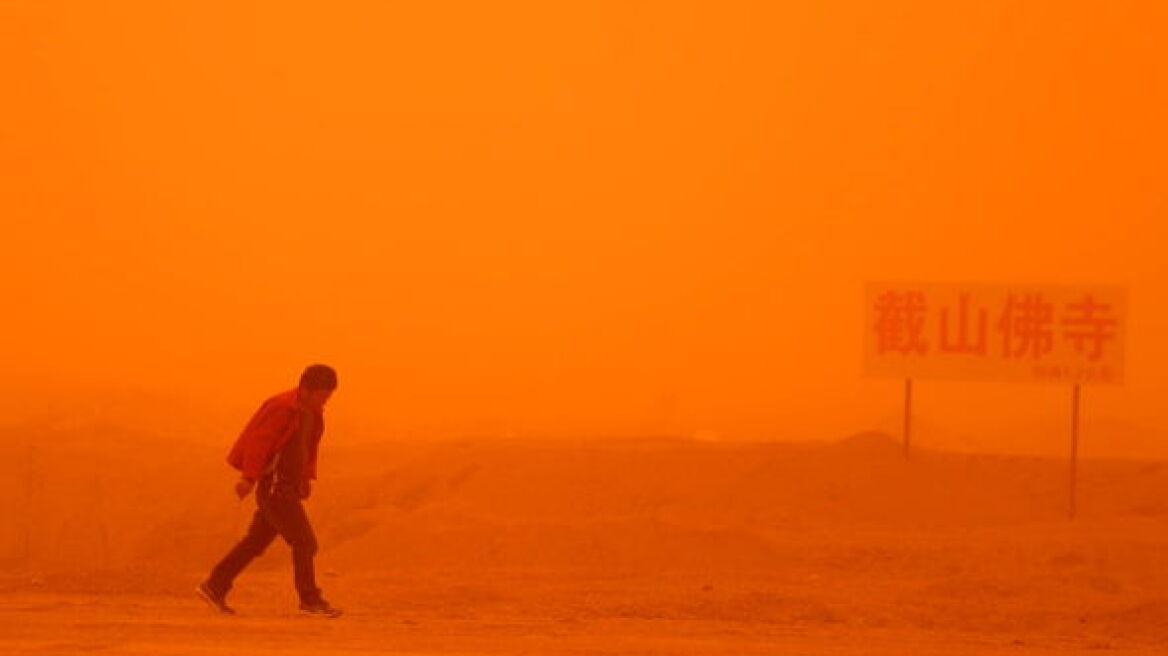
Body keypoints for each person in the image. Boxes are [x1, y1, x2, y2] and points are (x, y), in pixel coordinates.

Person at [197, 364, 342, 617]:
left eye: (328, 396)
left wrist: (305, 479)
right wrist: (248, 477)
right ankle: (310, 600)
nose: (325, 401)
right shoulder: (283, 407)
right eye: (322, 395)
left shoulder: (312, 412)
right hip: (275, 487)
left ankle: (214, 586)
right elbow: (259, 443)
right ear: (306, 389)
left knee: (254, 542)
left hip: (288, 487)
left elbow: (304, 450)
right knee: (305, 543)